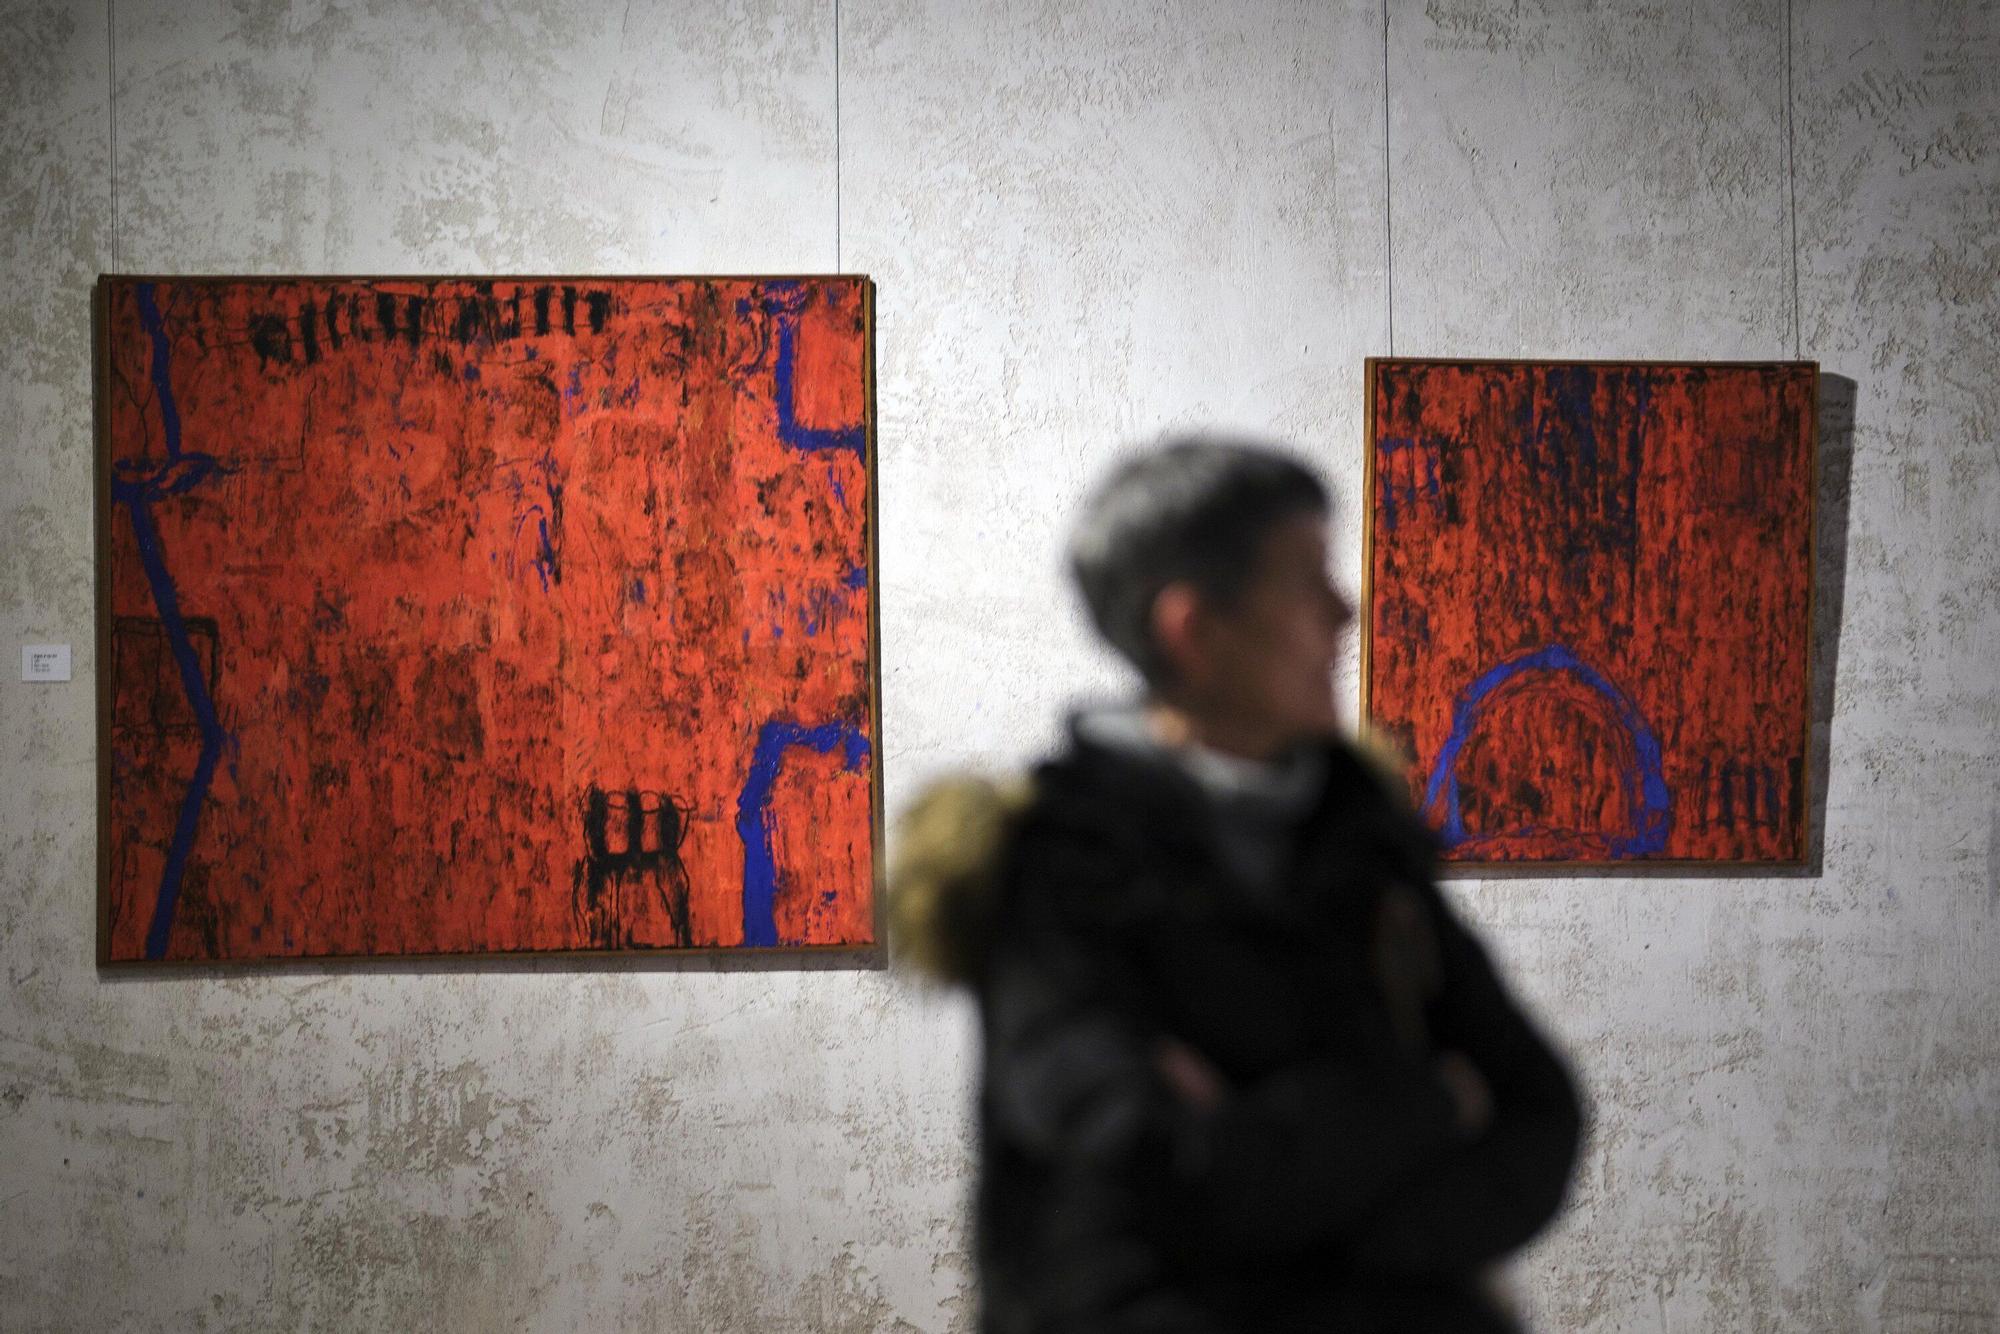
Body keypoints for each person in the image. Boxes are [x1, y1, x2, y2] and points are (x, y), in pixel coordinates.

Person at [891, 436, 1582, 1333]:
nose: (1346, 610)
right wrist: (1431, 1103)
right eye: (1307, 580)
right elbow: (1136, 1176)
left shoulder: (1360, 835)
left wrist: (1296, 1201)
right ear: (1195, 629)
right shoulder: (1063, 866)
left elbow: (1538, 1111)